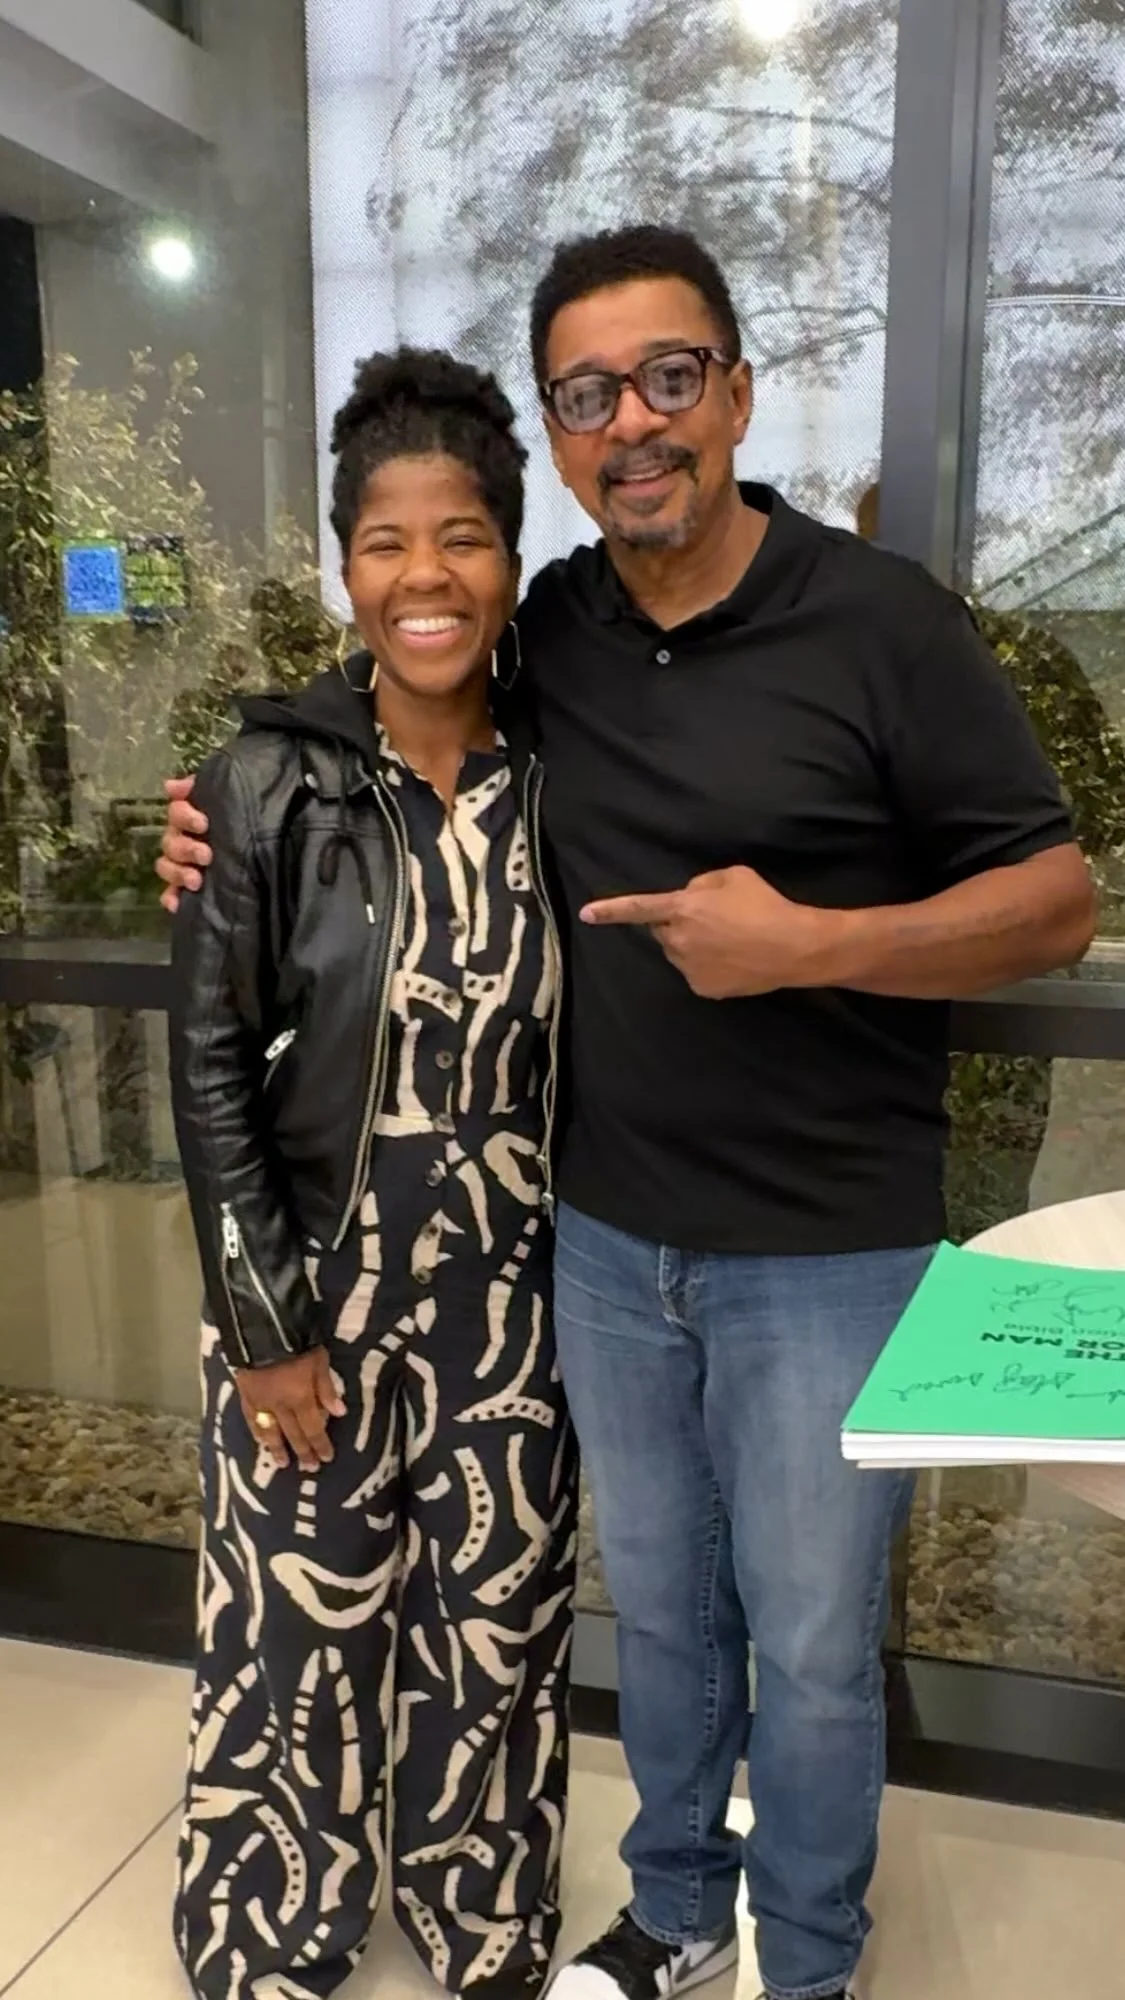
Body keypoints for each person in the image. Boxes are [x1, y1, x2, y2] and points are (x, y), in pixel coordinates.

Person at [159, 226, 1096, 2000]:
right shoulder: (558, 639)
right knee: (655, 1617)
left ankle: (803, 1954)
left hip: (825, 1250)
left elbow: (1052, 901)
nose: (634, 423)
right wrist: (217, 815)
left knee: (808, 1645)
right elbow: (384, 716)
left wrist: (813, 944)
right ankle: (673, 1914)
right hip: (596, 1248)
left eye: (669, 377)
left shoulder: (883, 623)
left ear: (734, 392)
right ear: (560, 435)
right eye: (587, 395)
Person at [166, 348, 575, 2000]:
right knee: (298, 1633)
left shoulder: (568, 772)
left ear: (510, 558)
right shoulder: (267, 780)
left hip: (518, 1302)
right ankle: (274, 1929)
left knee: (497, 1629)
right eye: (387, 541)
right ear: (346, 566)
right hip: (314, 1288)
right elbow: (209, 1065)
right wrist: (264, 1325)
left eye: (462, 536)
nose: (426, 576)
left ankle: (485, 1924)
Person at [858, 479, 1125, 1239]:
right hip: (867, 1022)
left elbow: (1098, 812)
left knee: (983, 1220)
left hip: (992, 1003)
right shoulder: (841, 662)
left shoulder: (1016, 654)